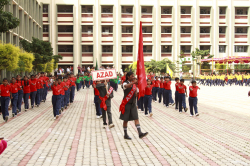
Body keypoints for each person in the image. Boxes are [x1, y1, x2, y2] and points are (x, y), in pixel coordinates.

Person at [120, 72, 148, 140]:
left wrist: (139, 91)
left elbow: (136, 94)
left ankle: (140, 133)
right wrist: (134, 83)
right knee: (125, 120)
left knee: (136, 118)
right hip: (126, 104)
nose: (133, 77)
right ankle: (125, 134)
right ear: (128, 76)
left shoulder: (135, 85)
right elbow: (126, 86)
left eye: (133, 76)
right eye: (132, 76)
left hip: (133, 104)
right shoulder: (125, 82)